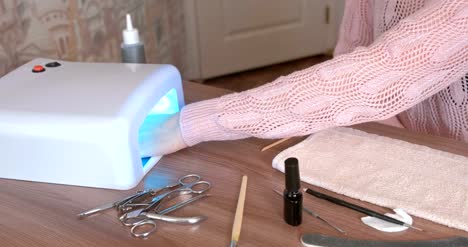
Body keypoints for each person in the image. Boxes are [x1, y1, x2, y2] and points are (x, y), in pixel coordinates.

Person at [138, 0, 468, 158]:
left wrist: (190, 125)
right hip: (404, 148)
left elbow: (378, 71)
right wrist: (388, 145)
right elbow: (354, 51)